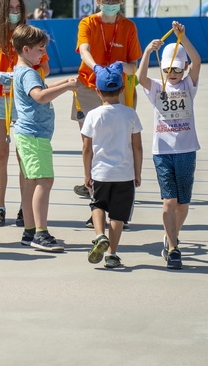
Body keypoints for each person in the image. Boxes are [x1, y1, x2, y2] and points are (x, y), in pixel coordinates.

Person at [0, 0, 49, 227]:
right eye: (11, 8)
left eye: (18, 8)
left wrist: (23, 76)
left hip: (22, 100)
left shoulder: (28, 34)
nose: (15, 12)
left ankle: (24, 206)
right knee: (0, 153)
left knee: (24, 156)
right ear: (2, 10)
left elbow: (45, 67)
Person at [74, 0, 141, 226]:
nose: (110, 3)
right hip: (90, 86)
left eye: (114, 0)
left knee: (120, 142)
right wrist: (98, 68)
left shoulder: (128, 27)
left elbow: (134, 66)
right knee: (90, 144)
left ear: (121, 1)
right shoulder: (88, 22)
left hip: (118, 89)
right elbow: (84, 50)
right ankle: (95, 200)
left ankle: (118, 203)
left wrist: (120, 66)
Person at [137, 21, 202, 270]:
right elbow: (140, 77)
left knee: (183, 203)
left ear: (183, 67)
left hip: (186, 150)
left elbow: (197, 61)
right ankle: (174, 248)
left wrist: (182, 38)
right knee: (168, 201)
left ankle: (171, 234)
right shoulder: (156, 87)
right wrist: (146, 52)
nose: (172, 74)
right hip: (162, 151)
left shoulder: (188, 85)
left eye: (176, 69)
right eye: (167, 70)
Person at [11, 24, 77, 251]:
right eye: (40, 49)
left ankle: (30, 230)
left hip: (27, 135)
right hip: (34, 135)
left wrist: (65, 83)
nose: (43, 54)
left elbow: (43, 87)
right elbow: (39, 95)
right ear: (26, 49)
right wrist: (67, 88)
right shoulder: (29, 73)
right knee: (44, 181)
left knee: (31, 183)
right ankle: (41, 232)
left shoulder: (22, 70)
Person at [82, 62, 143, 269]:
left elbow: (87, 149)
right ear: (123, 89)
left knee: (97, 205)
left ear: (97, 91)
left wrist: (87, 173)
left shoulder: (92, 115)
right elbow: (137, 147)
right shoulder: (130, 114)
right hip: (124, 173)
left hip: (100, 173)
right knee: (118, 216)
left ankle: (99, 235)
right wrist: (138, 172)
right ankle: (112, 254)